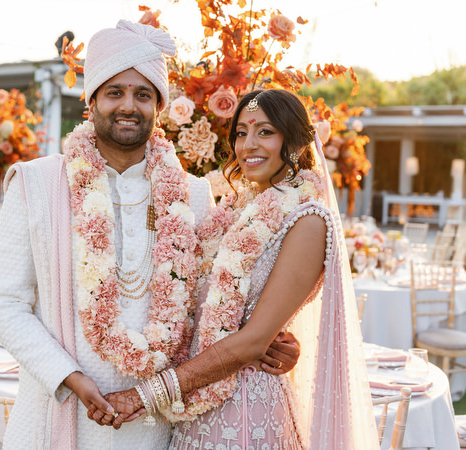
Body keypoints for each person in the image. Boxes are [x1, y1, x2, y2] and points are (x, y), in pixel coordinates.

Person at [0, 21, 300, 449]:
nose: (128, 105)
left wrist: (271, 342)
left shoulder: (193, 193)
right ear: (91, 100)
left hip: (155, 426)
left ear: (160, 106)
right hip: (58, 415)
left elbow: (211, 309)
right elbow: (5, 304)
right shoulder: (35, 184)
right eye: (115, 92)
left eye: (143, 94)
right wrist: (71, 378)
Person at [96, 89, 380, 449]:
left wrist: (144, 395)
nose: (248, 144)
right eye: (242, 133)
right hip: (193, 406)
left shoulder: (307, 220)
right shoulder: (233, 212)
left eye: (265, 131)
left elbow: (254, 341)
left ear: (292, 140)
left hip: (246, 416)